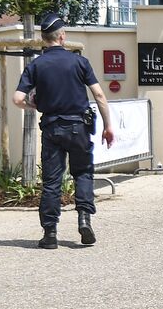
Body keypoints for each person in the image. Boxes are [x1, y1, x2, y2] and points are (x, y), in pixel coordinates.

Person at [12, 14, 114, 250]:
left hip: (51, 128)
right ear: (62, 37)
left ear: (43, 38)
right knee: (83, 173)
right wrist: (108, 126)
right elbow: (99, 95)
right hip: (79, 127)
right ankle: (84, 219)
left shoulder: (35, 65)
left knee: (52, 181)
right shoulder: (80, 62)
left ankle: (50, 234)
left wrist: (34, 106)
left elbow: (17, 99)